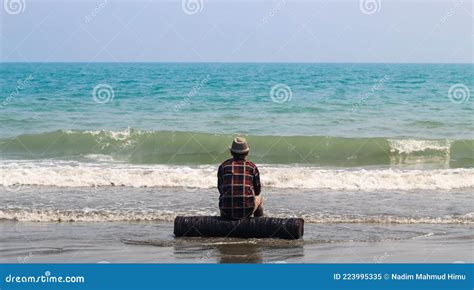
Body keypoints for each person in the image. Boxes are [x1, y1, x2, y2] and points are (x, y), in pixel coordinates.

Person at [217, 137, 263, 219]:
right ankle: (259, 224)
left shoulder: (223, 166)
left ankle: (224, 224)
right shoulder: (252, 167)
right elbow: (257, 191)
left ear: (231, 152)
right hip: (247, 210)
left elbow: (221, 189)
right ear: (247, 152)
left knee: (225, 198)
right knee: (259, 198)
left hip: (226, 210)